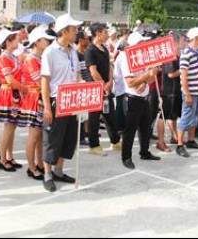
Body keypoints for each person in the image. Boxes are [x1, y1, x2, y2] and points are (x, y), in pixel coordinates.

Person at [41, 14, 83, 191]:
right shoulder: (50, 52)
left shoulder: (73, 50)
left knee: (68, 137)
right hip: (56, 100)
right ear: (64, 31)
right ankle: (47, 174)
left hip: (72, 100)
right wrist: (47, 108)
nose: (76, 32)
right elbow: (44, 80)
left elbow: (78, 74)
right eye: (74, 30)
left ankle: (59, 170)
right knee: (52, 139)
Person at [117, 31, 161, 169]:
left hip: (143, 97)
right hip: (131, 98)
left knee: (145, 127)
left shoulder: (143, 56)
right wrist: (146, 76)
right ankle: (126, 157)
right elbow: (130, 82)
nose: (144, 44)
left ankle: (144, 152)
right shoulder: (125, 58)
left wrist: (145, 81)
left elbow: (151, 76)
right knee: (130, 130)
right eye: (141, 43)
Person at [21, 26, 55, 180]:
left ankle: (40, 164)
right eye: (44, 40)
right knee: (33, 136)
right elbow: (39, 80)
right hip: (34, 99)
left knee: (41, 136)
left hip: (41, 98)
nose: (47, 41)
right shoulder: (30, 59)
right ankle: (31, 166)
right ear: (36, 42)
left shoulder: (41, 58)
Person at [85, 23, 121, 155]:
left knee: (110, 115)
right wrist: (103, 85)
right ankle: (93, 146)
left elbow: (109, 66)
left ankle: (115, 141)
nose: (107, 35)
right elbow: (93, 72)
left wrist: (110, 81)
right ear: (98, 33)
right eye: (105, 32)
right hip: (95, 90)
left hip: (106, 88)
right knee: (94, 118)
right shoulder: (90, 50)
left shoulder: (105, 49)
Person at [0, 28, 27, 172]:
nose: (18, 40)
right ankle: (2, 159)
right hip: (9, 93)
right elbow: (10, 79)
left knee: (12, 127)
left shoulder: (13, 56)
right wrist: (24, 89)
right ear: (8, 41)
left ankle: (9, 156)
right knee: (8, 128)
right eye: (15, 38)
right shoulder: (4, 57)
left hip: (14, 93)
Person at [176, 27, 198, 158]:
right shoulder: (186, 53)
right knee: (186, 118)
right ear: (196, 38)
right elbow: (183, 76)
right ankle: (179, 144)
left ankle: (190, 140)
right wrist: (187, 93)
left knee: (195, 118)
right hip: (190, 92)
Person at [162, 33, 185, 145]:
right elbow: (170, 74)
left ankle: (174, 135)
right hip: (169, 90)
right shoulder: (169, 55)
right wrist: (184, 70)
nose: (183, 42)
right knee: (170, 115)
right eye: (182, 40)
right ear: (175, 41)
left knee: (175, 114)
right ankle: (174, 136)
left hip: (176, 89)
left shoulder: (178, 54)